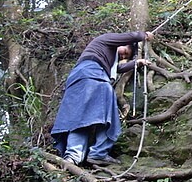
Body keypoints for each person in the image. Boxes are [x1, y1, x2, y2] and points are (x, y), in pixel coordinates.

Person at [51, 30, 153, 166]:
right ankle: (98, 153)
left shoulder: (103, 54)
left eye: (126, 56)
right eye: (125, 51)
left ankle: (73, 157)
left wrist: (138, 62)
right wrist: (144, 36)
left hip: (78, 77)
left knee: (80, 117)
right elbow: (132, 36)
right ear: (123, 44)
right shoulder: (106, 39)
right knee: (108, 114)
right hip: (93, 75)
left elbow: (119, 68)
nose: (123, 55)